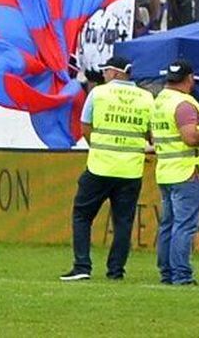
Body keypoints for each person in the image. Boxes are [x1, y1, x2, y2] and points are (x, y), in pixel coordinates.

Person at [61, 55, 153, 282]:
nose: (103, 75)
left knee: (82, 215)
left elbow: (85, 127)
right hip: (130, 170)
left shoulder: (98, 93)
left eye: (106, 70)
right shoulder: (146, 97)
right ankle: (116, 271)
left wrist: (100, 148)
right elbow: (151, 135)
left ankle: (82, 265)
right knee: (123, 222)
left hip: (100, 166)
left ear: (116, 72)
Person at [152, 60, 199, 286]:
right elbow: (191, 137)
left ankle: (167, 273)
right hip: (186, 172)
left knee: (168, 225)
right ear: (190, 78)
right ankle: (181, 275)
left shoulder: (160, 101)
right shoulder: (183, 105)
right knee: (184, 226)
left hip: (166, 171)